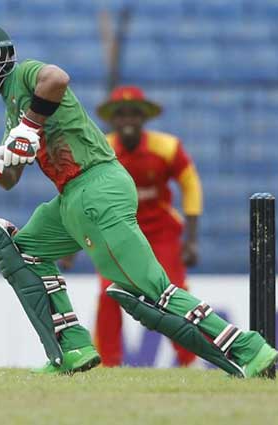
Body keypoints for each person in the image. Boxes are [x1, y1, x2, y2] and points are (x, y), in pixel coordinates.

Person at [0, 22, 278, 377]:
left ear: (1, 55)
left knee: (152, 290)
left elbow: (57, 79)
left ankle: (248, 347)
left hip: (97, 186)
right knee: (24, 252)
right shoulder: (11, 112)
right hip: (71, 198)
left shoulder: (28, 75)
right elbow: (12, 177)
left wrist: (28, 128)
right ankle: (72, 346)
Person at [93, 85, 201, 367]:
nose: (128, 119)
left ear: (144, 118)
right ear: (113, 119)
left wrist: (191, 240)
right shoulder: (101, 150)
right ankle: (107, 365)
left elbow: (191, 185)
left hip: (161, 232)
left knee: (174, 293)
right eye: (121, 114)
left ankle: (189, 361)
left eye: (134, 113)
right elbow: (83, 195)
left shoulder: (167, 147)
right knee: (109, 293)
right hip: (119, 235)